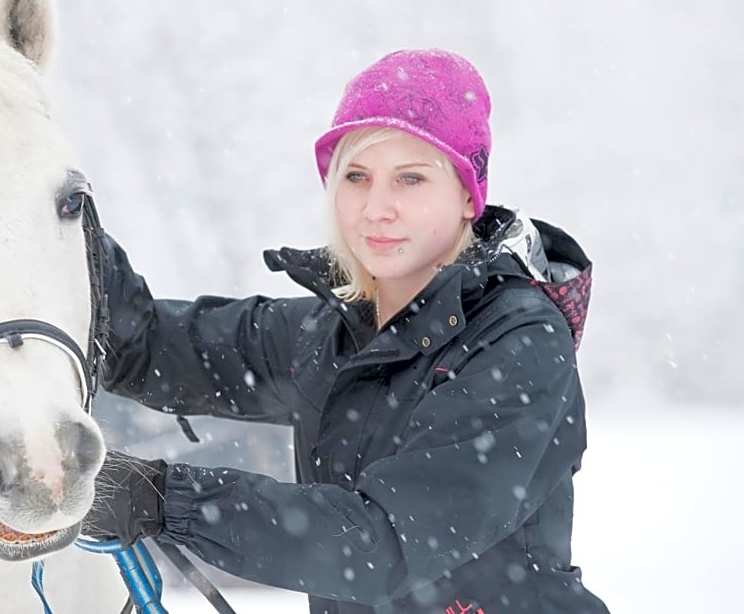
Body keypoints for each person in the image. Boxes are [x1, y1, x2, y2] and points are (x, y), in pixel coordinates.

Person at [83, 49, 610, 614]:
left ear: (466, 195)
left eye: (410, 178)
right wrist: (62, 214)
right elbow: (145, 345)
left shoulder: (518, 343)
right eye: (356, 176)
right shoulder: (329, 332)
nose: (376, 207)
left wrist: (164, 498)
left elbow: (383, 543)